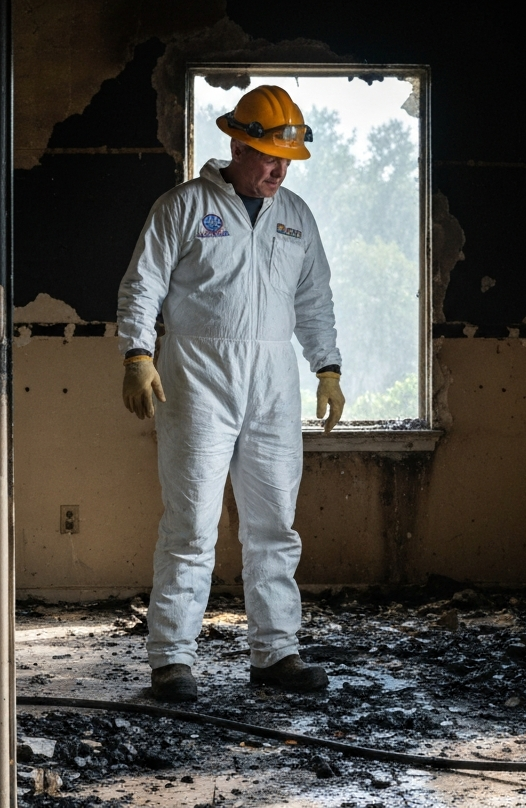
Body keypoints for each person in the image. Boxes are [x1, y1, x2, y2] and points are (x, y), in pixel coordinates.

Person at [117, 83, 345, 702]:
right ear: (238, 147)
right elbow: (143, 283)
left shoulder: (296, 216)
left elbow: (314, 298)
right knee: (191, 523)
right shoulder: (184, 206)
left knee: (274, 524)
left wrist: (327, 367)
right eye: (269, 158)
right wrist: (137, 354)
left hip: (274, 381)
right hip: (197, 376)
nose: (279, 171)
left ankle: (276, 652)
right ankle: (172, 659)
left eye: (287, 162)